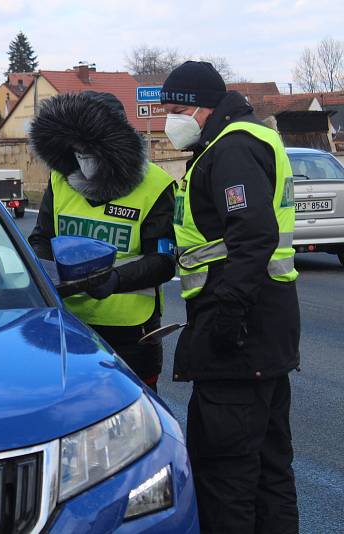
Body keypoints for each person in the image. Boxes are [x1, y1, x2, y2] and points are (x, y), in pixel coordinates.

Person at [162, 61, 300, 534]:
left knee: (226, 476)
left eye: (178, 107)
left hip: (240, 337)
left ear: (205, 106)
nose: (170, 118)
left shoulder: (232, 150)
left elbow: (253, 235)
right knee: (269, 469)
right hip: (266, 333)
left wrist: (226, 314)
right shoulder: (236, 142)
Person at [28, 91, 176, 391]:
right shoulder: (60, 179)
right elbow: (40, 239)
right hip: (67, 322)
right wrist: (48, 273)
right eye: (77, 148)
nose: (82, 156)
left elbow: (163, 261)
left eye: (91, 148)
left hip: (131, 331)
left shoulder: (155, 185)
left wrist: (114, 280)